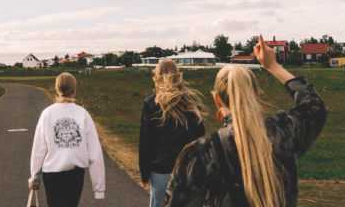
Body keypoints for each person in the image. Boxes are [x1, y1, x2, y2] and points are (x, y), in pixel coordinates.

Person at [164, 35, 327, 207]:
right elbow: (314, 106)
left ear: (217, 100)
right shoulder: (284, 133)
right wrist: (273, 66)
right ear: (256, 95)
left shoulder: (200, 152)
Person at [28, 72, 105, 207]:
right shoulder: (83, 113)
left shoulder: (47, 113)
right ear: (74, 90)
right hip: (75, 175)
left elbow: (39, 149)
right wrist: (98, 188)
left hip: (51, 174)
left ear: (57, 89)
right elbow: (95, 152)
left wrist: (35, 177)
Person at [140, 59, 205, 207]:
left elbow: (146, 142)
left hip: (161, 168)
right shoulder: (192, 101)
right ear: (177, 75)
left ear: (157, 76)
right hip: (188, 167)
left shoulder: (151, 103)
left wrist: (145, 173)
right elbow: (200, 137)